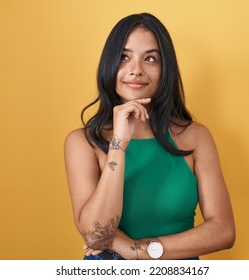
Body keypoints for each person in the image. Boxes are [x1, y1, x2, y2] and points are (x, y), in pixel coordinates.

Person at [64, 12, 235, 260]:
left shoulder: (195, 137)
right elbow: (95, 237)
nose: (136, 70)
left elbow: (224, 231)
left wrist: (139, 250)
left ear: (165, 69)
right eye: (124, 57)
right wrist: (118, 144)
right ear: (109, 64)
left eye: (151, 59)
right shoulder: (82, 142)